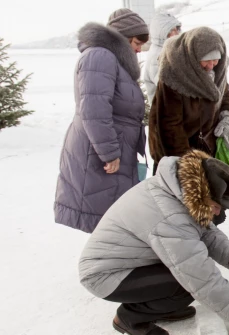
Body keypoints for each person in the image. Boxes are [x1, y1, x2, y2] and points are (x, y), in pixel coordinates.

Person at [78, 149, 229, 335]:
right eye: (217, 204)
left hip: (131, 263)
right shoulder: (169, 215)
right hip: (105, 275)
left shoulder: (180, 189)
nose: (218, 211)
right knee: (186, 284)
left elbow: (203, 230)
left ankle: (162, 306)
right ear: (203, 193)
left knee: (186, 280)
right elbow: (201, 279)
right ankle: (129, 318)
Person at [54, 8, 149, 233]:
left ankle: (112, 263)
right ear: (123, 37)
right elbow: (94, 109)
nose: (140, 48)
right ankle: (104, 266)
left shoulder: (112, 59)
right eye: (138, 41)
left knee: (113, 219)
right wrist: (109, 152)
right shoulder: (100, 56)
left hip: (111, 149)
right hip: (101, 153)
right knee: (108, 220)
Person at [149, 27, 229, 174]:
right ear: (194, 57)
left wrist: (226, 116)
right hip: (176, 152)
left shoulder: (218, 70)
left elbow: (224, 94)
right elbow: (170, 126)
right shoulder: (173, 74)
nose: (211, 66)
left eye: (215, 60)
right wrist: (188, 165)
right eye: (206, 61)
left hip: (206, 147)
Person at [143, 12, 181, 103]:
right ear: (160, 32)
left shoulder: (170, 49)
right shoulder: (157, 54)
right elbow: (166, 84)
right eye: (171, 30)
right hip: (165, 110)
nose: (176, 33)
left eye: (177, 29)